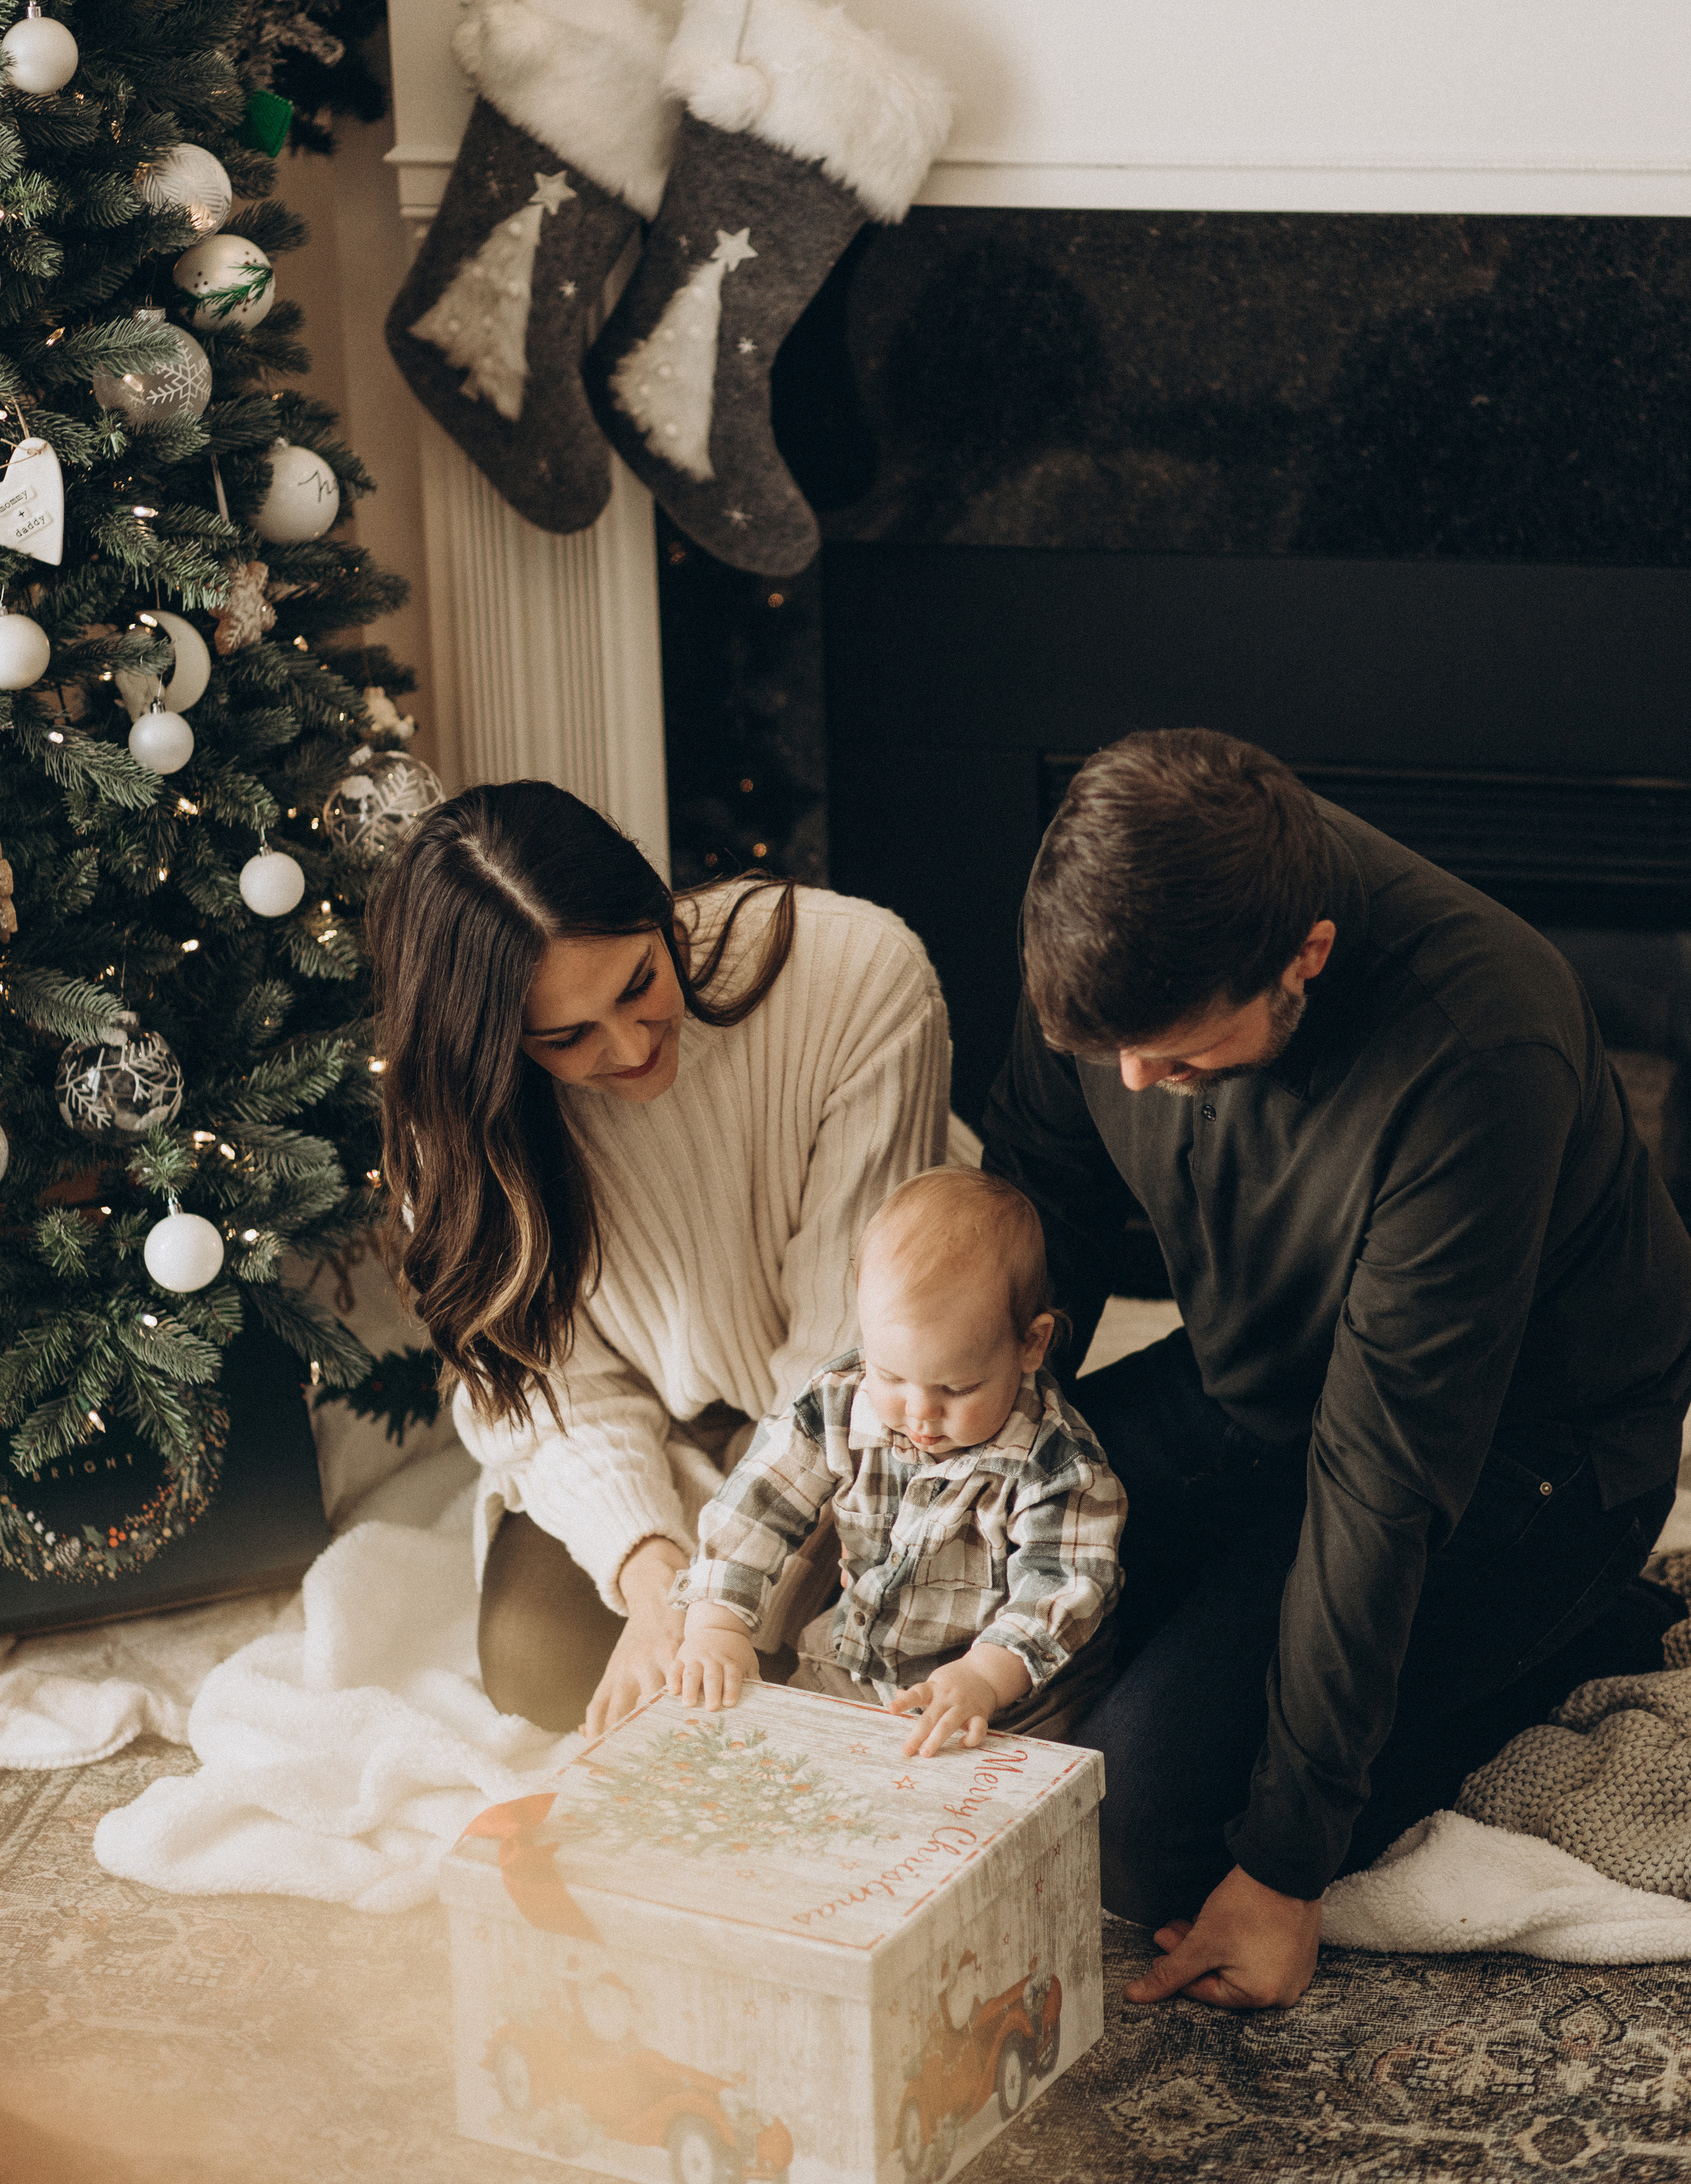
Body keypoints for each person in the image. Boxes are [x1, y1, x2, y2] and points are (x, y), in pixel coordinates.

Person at [982, 728, 1691, 2012]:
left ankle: (1588, 1621)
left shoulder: (1479, 1047)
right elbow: (1041, 1197)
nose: (1134, 1083)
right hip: (1259, 1383)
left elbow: (1379, 1481)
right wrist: (979, 1461)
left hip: (1527, 1460)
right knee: (979, 1596)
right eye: (1111, 1053)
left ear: (1303, 959)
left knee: (1145, 1841)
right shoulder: (1110, 916)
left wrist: (1283, 1867)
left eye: (1177, 1059)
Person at [366, 781, 953, 1740]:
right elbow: (550, 1395)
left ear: (661, 916)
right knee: (540, 1666)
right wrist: (653, 1585)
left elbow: (849, 1354)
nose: (632, 1047)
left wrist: (722, 1602)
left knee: (825, 1676)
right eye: (567, 1037)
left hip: (856, 1413)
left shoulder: (857, 971)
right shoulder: (461, 1128)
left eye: (639, 983)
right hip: (656, 1417)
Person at [668, 1166, 1127, 1753]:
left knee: (1011, 1782)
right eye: (890, 1375)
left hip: (1012, 1695)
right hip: (859, 1663)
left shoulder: (1059, 1468)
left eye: (956, 1388)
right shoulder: (837, 1402)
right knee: (775, 1754)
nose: (920, 1413)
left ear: (1031, 1344)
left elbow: (1062, 1590)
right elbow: (754, 1507)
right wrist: (716, 1623)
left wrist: (985, 1676)